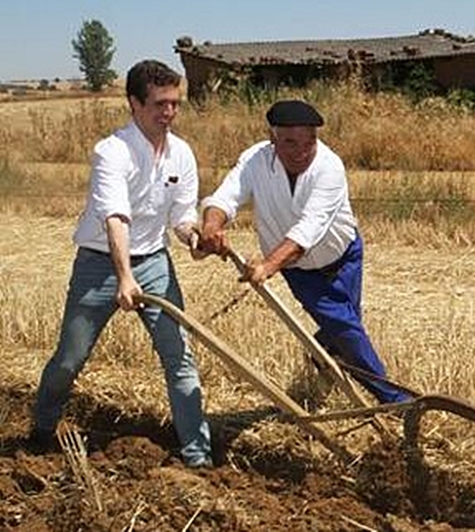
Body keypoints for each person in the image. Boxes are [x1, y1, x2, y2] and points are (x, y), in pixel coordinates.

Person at [30, 60, 213, 468]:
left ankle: (198, 457)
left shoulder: (181, 153)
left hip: (154, 261)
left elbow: (181, 216)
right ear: (134, 103)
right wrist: (124, 277)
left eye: (175, 104)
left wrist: (193, 238)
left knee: (179, 357)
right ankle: (42, 428)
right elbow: (116, 218)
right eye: (160, 104)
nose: (169, 113)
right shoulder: (111, 152)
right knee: (69, 359)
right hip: (99, 266)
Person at [198, 99, 410, 404]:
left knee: (346, 325)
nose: (301, 151)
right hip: (301, 273)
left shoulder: (330, 166)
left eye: (308, 142)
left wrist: (268, 265)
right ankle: (395, 401)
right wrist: (211, 225)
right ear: (272, 139)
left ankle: (323, 352)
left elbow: (309, 228)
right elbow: (226, 198)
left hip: (346, 255)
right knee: (347, 330)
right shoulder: (255, 161)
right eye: (289, 143)